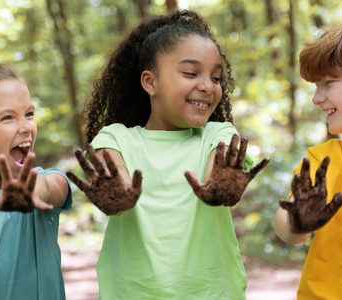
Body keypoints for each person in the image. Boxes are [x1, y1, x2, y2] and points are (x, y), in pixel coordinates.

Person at [67, 10, 270, 299]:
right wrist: (118, 195)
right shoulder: (117, 137)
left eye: (215, 77)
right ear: (150, 82)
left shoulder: (218, 134)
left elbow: (220, 164)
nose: (207, 86)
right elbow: (114, 171)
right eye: (191, 73)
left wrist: (220, 185)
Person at [273, 15, 342, 299]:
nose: (316, 98)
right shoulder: (324, 161)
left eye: (329, 83)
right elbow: (287, 229)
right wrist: (298, 221)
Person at [0, 63, 72, 300]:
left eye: (29, 114)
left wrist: (38, 190)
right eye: (7, 117)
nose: (25, 127)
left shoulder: (43, 179)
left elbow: (55, 187)